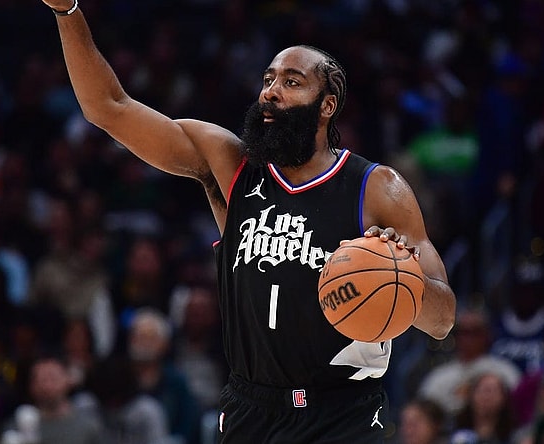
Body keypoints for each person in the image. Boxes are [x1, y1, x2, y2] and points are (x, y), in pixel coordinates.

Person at [40, 1, 456, 441]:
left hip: (343, 415)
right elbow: (108, 106)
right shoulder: (230, 165)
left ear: (327, 105)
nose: (271, 92)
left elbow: (442, 319)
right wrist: (67, 11)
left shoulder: (376, 188)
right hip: (250, 411)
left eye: (292, 82)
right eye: (268, 80)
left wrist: (402, 275)